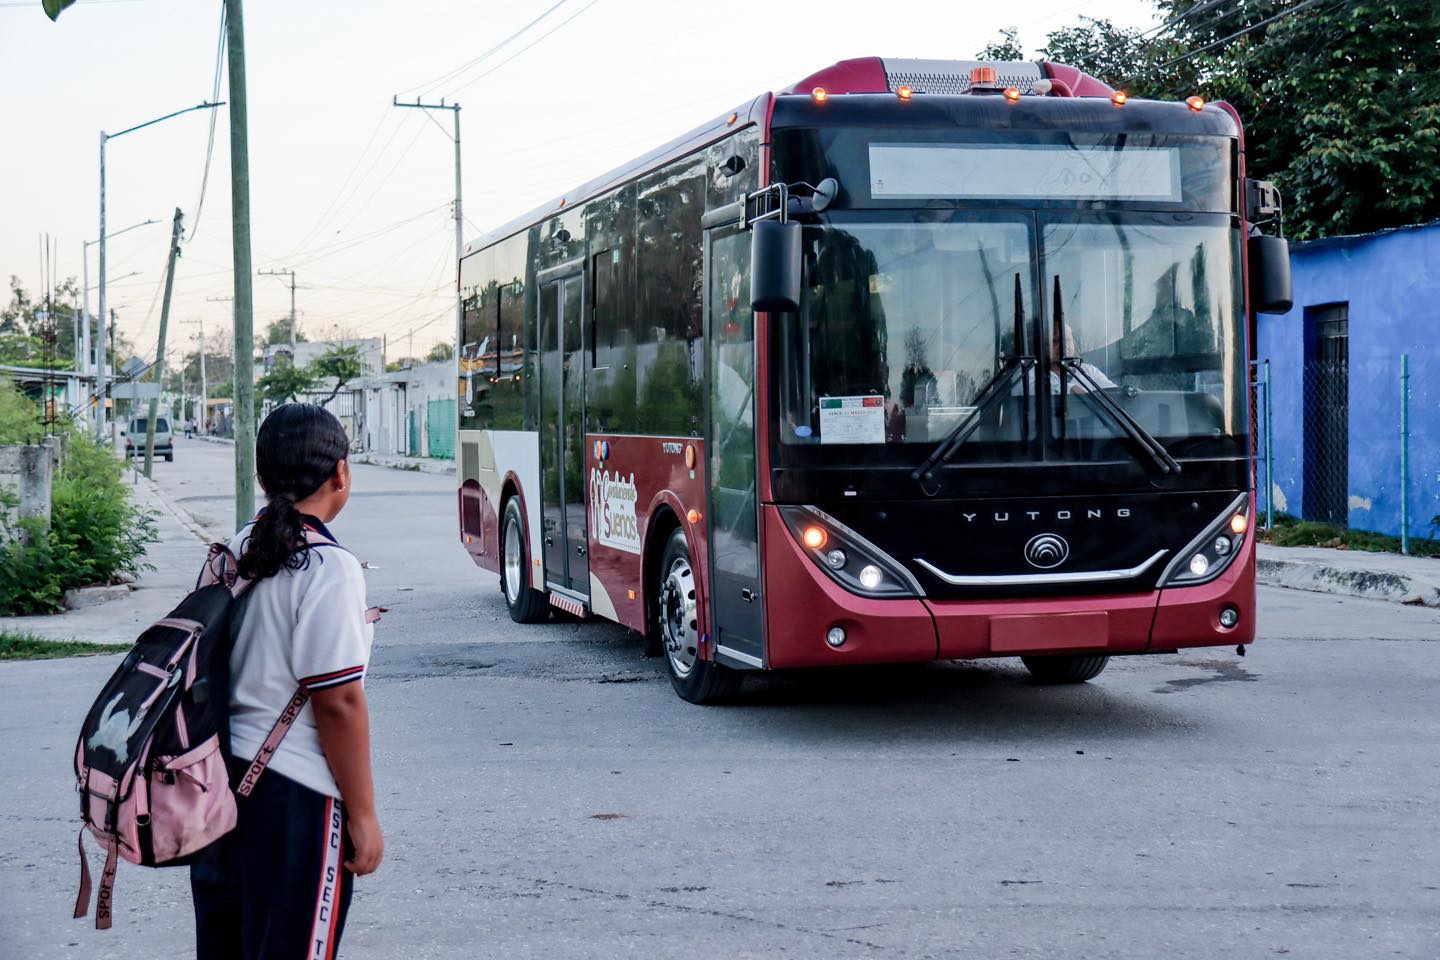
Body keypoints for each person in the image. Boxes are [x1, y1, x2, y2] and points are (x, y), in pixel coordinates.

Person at [190, 403, 382, 960]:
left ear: (262, 476)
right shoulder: (328, 567)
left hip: (218, 788)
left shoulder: (234, 549)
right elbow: (339, 703)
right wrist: (364, 817)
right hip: (296, 799)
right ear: (340, 473)